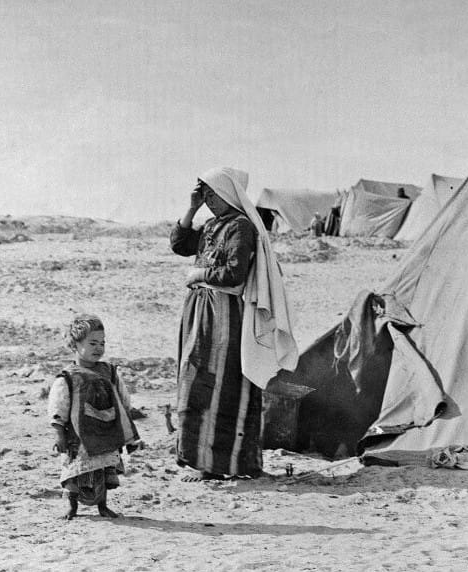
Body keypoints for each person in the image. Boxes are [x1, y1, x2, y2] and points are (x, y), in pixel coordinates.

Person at [170, 167, 298, 481]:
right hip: (200, 310)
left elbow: (234, 273)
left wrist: (199, 274)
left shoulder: (241, 226)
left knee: (220, 382)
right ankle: (203, 461)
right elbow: (180, 244)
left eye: (212, 193)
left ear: (228, 192)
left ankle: (222, 464)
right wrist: (192, 209)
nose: (208, 200)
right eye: (205, 194)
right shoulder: (212, 224)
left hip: (221, 313)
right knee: (196, 378)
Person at [48, 314, 140, 520]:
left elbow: (123, 398)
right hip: (79, 435)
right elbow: (58, 405)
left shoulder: (109, 372)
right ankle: (71, 507)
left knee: (104, 468)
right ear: (75, 344)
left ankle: (103, 506)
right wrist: (59, 434)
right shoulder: (68, 376)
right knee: (75, 471)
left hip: (107, 430)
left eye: (102, 343)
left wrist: (126, 425)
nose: (99, 348)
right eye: (92, 343)